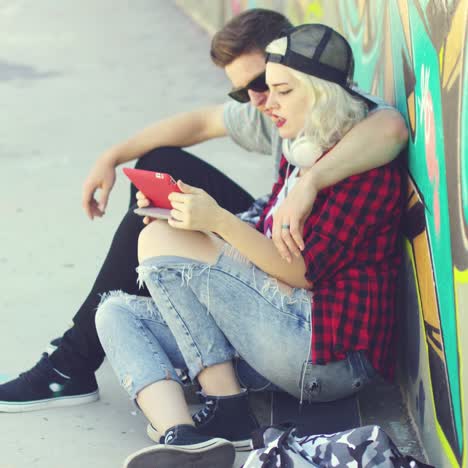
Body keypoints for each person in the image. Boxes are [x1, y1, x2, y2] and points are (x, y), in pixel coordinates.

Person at [0, 9, 407, 413]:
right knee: (158, 173)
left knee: (160, 233)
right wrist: (112, 156)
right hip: (272, 228)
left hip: (306, 299)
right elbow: (199, 123)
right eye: (242, 92)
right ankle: (124, 332)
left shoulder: (330, 119)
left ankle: (76, 359)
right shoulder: (277, 112)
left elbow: (390, 127)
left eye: (266, 84)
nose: (259, 101)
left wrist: (309, 181)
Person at [95, 23, 404, 468]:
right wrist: (188, 213)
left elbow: (301, 273)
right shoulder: (298, 144)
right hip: (274, 331)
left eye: (280, 90)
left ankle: (227, 409)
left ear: (318, 92)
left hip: (325, 353)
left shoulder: (361, 165)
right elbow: (259, 228)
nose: (267, 103)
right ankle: (180, 437)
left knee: (159, 241)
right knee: (117, 312)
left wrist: (214, 222)